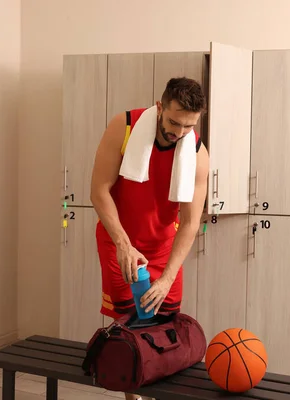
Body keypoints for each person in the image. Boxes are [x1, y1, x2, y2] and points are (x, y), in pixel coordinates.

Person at [90, 77, 209, 400]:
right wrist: (123, 245)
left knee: (163, 326)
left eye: (189, 125)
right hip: (120, 242)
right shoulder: (124, 126)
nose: (179, 132)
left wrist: (168, 277)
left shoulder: (197, 152)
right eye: (173, 121)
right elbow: (99, 190)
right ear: (159, 107)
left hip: (162, 247)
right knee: (130, 325)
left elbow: (189, 222)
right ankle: (134, 396)